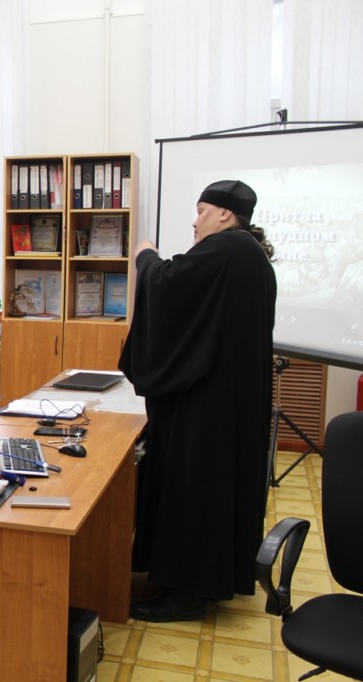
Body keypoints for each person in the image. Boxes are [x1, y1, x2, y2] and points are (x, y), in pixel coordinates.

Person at [120, 179, 276, 623]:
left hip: (206, 406)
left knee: (192, 488)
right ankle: (203, 578)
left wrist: (145, 256)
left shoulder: (225, 250)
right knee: (212, 490)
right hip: (228, 401)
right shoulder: (251, 256)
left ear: (225, 214)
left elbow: (168, 285)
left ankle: (185, 593)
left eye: (202, 210)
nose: (195, 221)